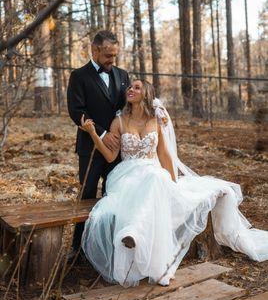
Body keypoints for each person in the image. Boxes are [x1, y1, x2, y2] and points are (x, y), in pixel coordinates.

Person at [80, 79, 268, 287]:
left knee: (157, 178)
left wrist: (174, 184)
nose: (130, 90)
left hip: (153, 174)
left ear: (147, 94)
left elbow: (165, 156)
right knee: (154, 179)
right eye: (129, 87)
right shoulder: (119, 121)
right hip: (127, 176)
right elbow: (109, 156)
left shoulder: (156, 121)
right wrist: (93, 134)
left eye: (136, 87)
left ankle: (134, 233)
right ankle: (141, 240)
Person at [67, 30, 130, 258]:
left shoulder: (123, 75)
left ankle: (106, 244)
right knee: (87, 195)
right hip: (90, 148)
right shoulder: (79, 76)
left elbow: (128, 107)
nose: (112, 60)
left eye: (114, 55)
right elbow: (76, 112)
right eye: (107, 55)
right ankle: (77, 247)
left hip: (117, 150)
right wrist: (102, 133)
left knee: (113, 195)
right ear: (94, 50)